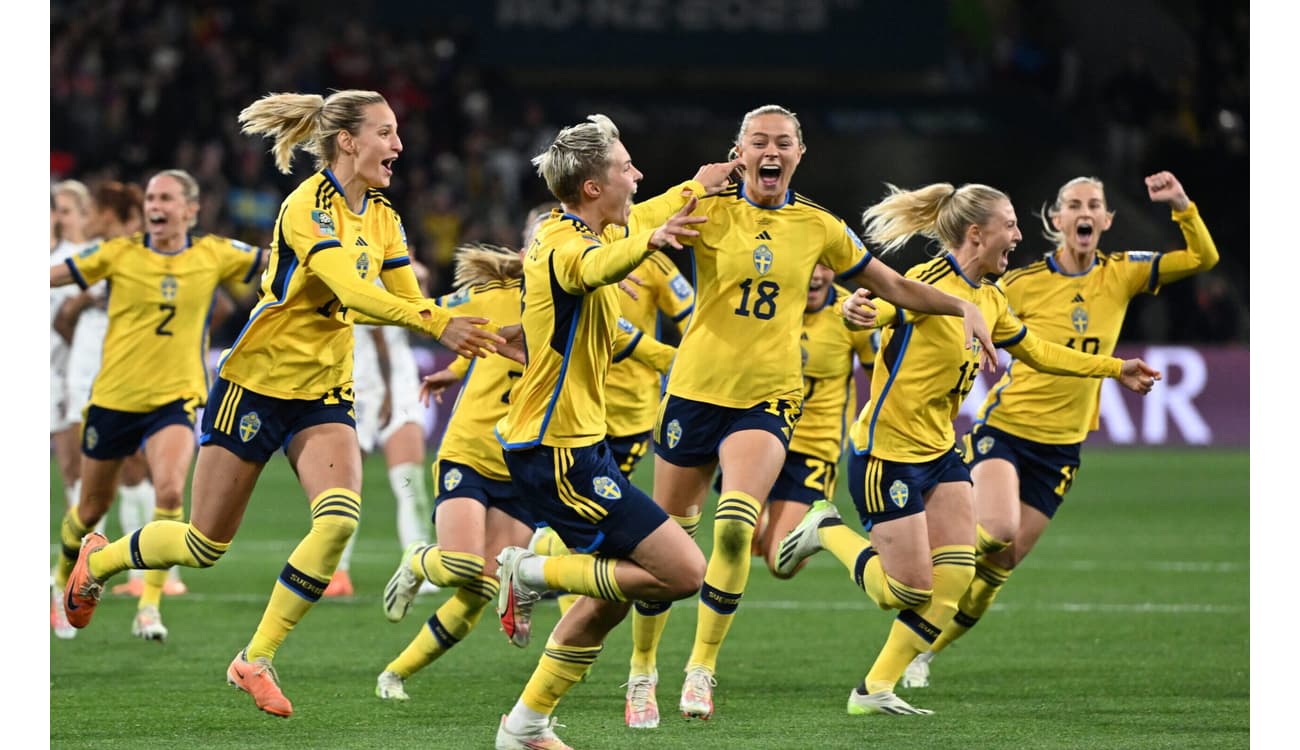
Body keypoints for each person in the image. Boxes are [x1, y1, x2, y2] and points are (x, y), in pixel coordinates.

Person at [61, 89, 512, 718]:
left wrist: (480, 330)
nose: (399, 145)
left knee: (338, 521)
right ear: (348, 141)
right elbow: (353, 289)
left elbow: (411, 298)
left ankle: (256, 658)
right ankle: (100, 559)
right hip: (257, 382)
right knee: (204, 543)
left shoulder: (384, 215)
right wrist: (438, 326)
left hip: (324, 388)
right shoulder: (307, 206)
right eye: (386, 132)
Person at [624, 104, 999, 725]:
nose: (770, 151)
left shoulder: (820, 226)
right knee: (669, 539)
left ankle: (701, 669)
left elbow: (893, 285)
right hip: (694, 391)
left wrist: (962, 309)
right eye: (757, 142)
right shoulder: (706, 206)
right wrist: (689, 188)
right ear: (738, 151)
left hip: (769, 395)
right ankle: (642, 672)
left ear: (800, 154)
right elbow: (625, 226)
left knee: (737, 525)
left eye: (783, 142)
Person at [775, 180, 1162, 716]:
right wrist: (860, 311)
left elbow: (1042, 352)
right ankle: (826, 529)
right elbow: (882, 308)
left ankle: (872, 691)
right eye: (1010, 226)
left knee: (952, 583)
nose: (1019, 235)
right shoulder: (923, 282)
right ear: (977, 235)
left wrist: (1116, 368)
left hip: (941, 454)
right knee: (904, 592)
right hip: (885, 453)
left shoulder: (994, 299)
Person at [899, 171, 1219, 690]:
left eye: (1095, 204)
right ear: (1057, 219)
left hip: (1063, 446)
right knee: (995, 530)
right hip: (1005, 429)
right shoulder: (1021, 283)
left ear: (1107, 220)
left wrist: (1183, 206)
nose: (1085, 211)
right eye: (1074, 204)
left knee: (1000, 566)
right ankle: (928, 555)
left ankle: (921, 651)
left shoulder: (1123, 274)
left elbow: (1202, 259)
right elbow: (964, 304)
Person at [489, 113, 738, 750]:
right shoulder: (564, 244)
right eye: (626, 168)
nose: (638, 175)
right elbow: (592, 269)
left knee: (615, 592)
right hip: (555, 453)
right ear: (594, 188)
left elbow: (640, 217)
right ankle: (531, 573)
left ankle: (526, 726)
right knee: (682, 573)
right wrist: (650, 244)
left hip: (573, 444)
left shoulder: (579, 227)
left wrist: (695, 188)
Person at [374, 241, 675, 702]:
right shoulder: (492, 295)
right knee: (460, 564)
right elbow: (426, 314)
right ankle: (419, 558)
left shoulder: (584, 310)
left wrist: (709, 370)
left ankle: (394, 673)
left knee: (482, 587)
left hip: (519, 465)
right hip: (470, 453)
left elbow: (648, 349)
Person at [49, 169, 266, 644]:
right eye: (151, 197)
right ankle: (63, 577)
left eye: (166, 198)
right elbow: (52, 276)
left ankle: (149, 605)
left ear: (190, 208)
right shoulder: (119, 253)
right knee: (89, 509)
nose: (155, 206)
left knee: (169, 493)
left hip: (177, 398)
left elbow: (277, 264)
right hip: (113, 399)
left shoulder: (214, 253)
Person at [53, 180, 188, 602]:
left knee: (136, 471)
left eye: (78, 209)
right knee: (81, 476)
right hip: (82, 373)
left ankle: (150, 568)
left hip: (125, 378)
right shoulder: (93, 258)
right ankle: (84, 569)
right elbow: (63, 319)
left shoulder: (133, 257)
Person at [324, 263, 439, 598]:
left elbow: (425, 328)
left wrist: (423, 285)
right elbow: (374, 331)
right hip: (360, 382)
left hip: (395, 385)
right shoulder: (351, 262)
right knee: (346, 486)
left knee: (406, 481)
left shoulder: (399, 273)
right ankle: (337, 569)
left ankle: (416, 565)